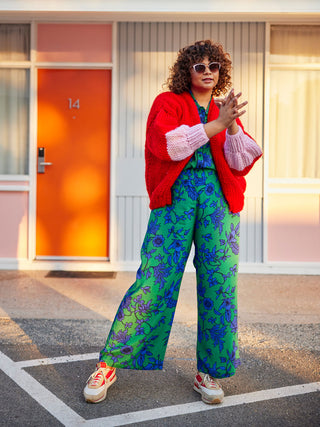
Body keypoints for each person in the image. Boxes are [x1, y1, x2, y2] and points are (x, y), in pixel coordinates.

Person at [83, 40, 262, 405]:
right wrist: (217, 124)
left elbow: (242, 160)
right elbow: (169, 145)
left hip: (219, 203)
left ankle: (207, 371)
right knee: (155, 279)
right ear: (187, 71)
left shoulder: (222, 109)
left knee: (220, 284)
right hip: (176, 200)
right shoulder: (168, 103)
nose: (208, 71)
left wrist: (229, 127)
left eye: (214, 65)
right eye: (200, 66)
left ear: (221, 71)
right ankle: (109, 362)